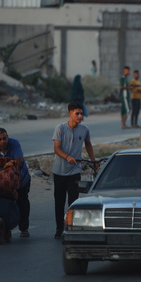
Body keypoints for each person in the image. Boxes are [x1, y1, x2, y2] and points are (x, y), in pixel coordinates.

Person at [52, 102, 97, 239]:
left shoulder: (84, 129)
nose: (79, 116)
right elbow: (57, 149)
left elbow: (88, 145)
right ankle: (59, 229)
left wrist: (93, 161)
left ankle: (71, 227)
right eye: (77, 113)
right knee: (59, 202)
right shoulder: (60, 128)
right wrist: (67, 157)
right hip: (59, 171)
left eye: (81, 113)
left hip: (75, 171)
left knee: (73, 202)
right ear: (70, 114)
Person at [0, 128, 31, 238]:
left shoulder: (14, 144)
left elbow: (19, 159)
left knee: (22, 203)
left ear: (8, 137)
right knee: (3, 204)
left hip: (20, 179)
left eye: (4, 138)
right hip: (2, 182)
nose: (3, 141)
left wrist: (12, 171)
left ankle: (24, 228)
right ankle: (5, 227)